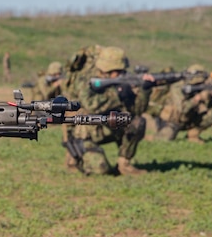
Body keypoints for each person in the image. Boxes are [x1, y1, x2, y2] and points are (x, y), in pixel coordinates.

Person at [63, 46, 149, 176]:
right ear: (107, 70)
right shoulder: (87, 80)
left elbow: (138, 110)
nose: (121, 74)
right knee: (101, 170)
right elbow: (91, 105)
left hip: (107, 127)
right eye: (117, 71)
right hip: (84, 133)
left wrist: (144, 90)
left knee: (137, 122)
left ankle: (124, 164)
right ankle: (74, 157)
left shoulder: (124, 80)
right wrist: (117, 94)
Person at [153, 64, 212, 144]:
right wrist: (196, 99)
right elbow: (182, 109)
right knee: (164, 139)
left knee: (210, 116)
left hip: (188, 119)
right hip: (171, 121)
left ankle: (193, 136)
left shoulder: (200, 88)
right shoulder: (177, 87)